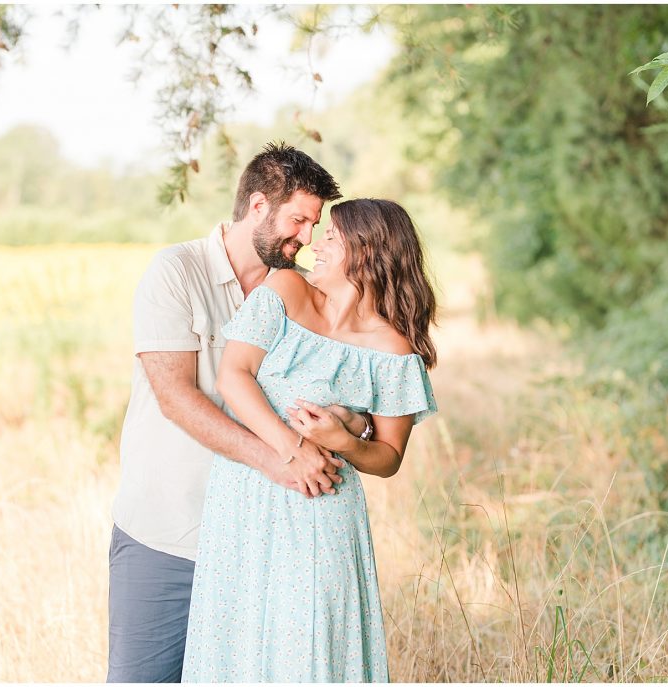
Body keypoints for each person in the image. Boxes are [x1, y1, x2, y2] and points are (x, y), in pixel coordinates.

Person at [107, 143, 373, 682]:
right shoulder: (177, 272)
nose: (304, 238)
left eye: (313, 224)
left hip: (265, 542)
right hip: (171, 535)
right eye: (297, 220)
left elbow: (352, 383)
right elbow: (177, 399)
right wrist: (281, 456)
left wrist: (352, 427)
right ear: (257, 206)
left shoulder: (304, 290)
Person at [181, 198, 439, 682]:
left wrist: (341, 439)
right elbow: (233, 376)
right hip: (246, 496)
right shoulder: (285, 288)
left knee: (315, 646)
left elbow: (387, 458)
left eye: (332, 238)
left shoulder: (393, 348)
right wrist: (292, 447)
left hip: (323, 506)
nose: (313, 246)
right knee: (235, 642)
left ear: (367, 251)